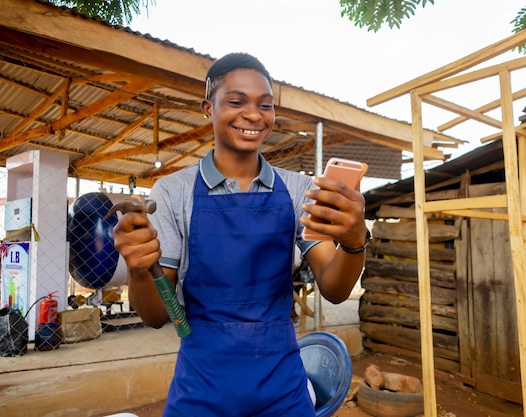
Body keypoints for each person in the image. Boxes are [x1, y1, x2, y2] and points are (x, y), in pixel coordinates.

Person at [113, 52, 369, 417]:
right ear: (208, 107)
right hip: (200, 389)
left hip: (283, 387)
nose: (254, 115)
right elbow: (156, 315)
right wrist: (138, 270)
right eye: (236, 102)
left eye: (266, 105)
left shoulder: (299, 190)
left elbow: (334, 288)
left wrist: (355, 241)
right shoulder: (174, 192)